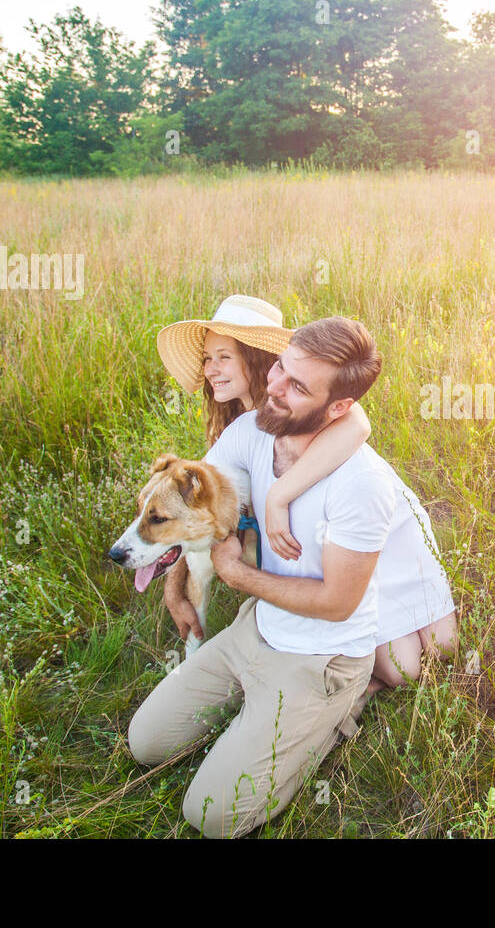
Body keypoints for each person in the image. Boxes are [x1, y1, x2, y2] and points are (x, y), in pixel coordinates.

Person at [127, 305, 454, 837]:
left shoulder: (360, 483)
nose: (275, 387)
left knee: (210, 818)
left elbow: (337, 603)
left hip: (319, 655)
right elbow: (195, 506)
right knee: (145, 743)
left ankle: (337, 708)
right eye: (281, 368)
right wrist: (175, 580)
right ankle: (259, 713)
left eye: (297, 385)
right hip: (256, 629)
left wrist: (241, 576)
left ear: (338, 407)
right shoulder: (253, 429)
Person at [154, 295, 456, 692]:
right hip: (323, 548)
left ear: (256, 358)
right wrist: (174, 589)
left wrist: (278, 496)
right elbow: (200, 511)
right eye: (207, 358)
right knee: (404, 669)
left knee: (442, 649)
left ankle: (366, 659)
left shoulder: (296, 403)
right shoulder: (239, 425)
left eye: (224, 357)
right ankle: (359, 660)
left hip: (375, 528)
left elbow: (357, 423)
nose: (211, 369)